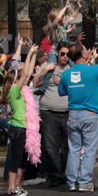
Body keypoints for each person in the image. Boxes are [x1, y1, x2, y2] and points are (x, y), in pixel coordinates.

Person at [58, 44, 98, 191]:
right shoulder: (94, 70)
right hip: (90, 114)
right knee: (89, 150)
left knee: (74, 149)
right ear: (83, 55)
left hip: (73, 113)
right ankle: (84, 182)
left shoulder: (66, 73)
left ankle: (71, 182)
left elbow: (61, 92)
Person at [1, 47, 39, 196]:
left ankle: (17, 185)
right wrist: (29, 54)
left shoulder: (22, 90)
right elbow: (25, 74)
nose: (22, 80)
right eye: (18, 79)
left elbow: (27, 73)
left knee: (23, 159)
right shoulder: (13, 91)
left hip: (25, 129)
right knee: (16, 158)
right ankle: (10, 188)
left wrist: (33, 55)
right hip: (17, 128)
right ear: (14, 81)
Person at [33, 41, 72, 187]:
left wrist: (64, 81)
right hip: (48, 113)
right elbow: (35, 83)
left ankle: (65, 174)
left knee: (68, 147)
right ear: (57, 54)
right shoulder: (49, 66)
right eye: (62, 54)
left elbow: (79, 87)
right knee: (50, 147)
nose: (65, 57)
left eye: (67, 55)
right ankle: (54, 176)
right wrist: (44, 70)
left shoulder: (71, 69)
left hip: (68, 113)